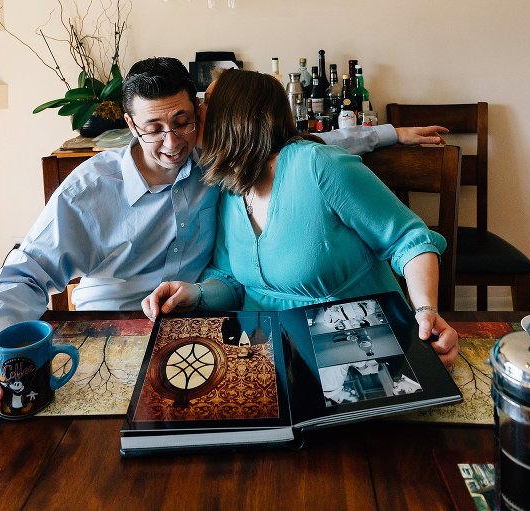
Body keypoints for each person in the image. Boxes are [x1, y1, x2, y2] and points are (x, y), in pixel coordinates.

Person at [0, 57, 449, 415]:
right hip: (121, 332)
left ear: (206, 119)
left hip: (248, 333)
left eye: (183, 122)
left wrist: (390, 134)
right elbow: (26, 268)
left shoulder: (221, 164)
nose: (172, 142)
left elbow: (304, 148)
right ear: (129, 124)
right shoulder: (92, 190)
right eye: (153, 128)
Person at [142, 69, 458, 368]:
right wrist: (195, 294)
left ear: (232, 113)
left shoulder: (317, 166)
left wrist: (425, 310)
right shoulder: (228, 186)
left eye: (204, 101)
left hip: (356, 346)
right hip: (267, 354)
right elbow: (233, 281)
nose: (196, 109)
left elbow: (410, 240)